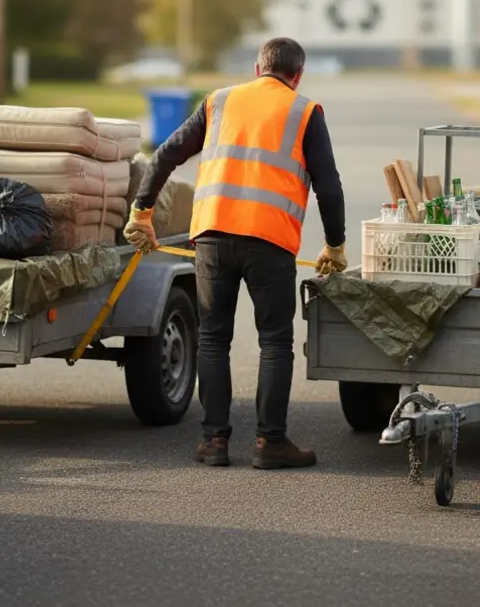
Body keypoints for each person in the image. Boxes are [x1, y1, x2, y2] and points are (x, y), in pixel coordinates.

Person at [123, 37, 347, 470]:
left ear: (257, 67)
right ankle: (270, 443)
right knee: (275, 341)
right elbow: (329, 186)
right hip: (270, 241)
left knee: (212, 338)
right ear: (297, 75)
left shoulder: (219, 102)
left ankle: (214, 442)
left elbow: (165, 154)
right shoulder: (304, 111)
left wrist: (142, 212)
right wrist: (334, 245)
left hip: (211, 236)